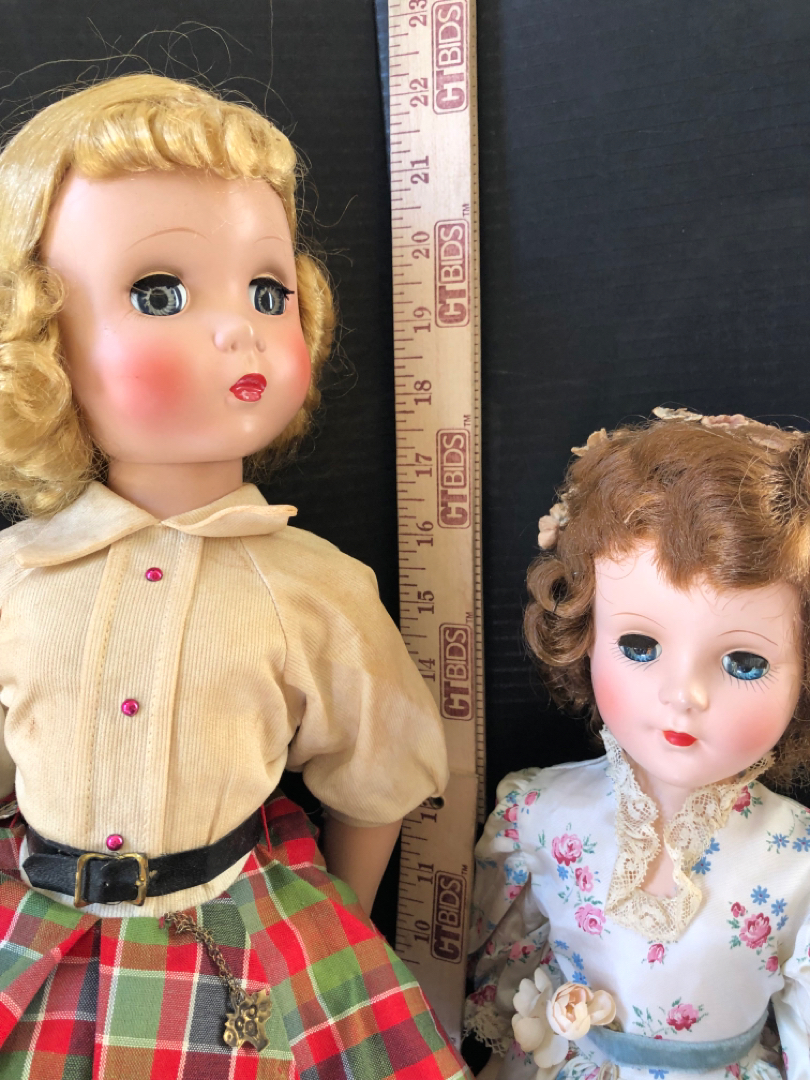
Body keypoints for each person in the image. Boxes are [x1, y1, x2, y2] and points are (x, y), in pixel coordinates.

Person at [0, 73, 470, 1079]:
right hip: (40, 935)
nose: (240, 330)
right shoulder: (20, 577)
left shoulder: (316, 589)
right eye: (158, 294)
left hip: (234, 934)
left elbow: (376, 777)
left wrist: (337, 933)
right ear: (38, 335)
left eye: (267, 292)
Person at [465, 408, 810, 1080]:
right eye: (640, 645)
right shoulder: (539, 816)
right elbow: (499, 978)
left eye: (744, 663)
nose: (683, 694)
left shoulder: (796, 862)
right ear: (585, 633)